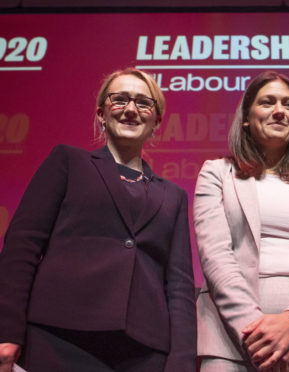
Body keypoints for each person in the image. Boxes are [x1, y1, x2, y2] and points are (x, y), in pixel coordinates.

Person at [0, 68, 197, 372]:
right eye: (119, 100)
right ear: (102, 113)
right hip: (59, 338)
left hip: (143, 353)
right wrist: (7, 330)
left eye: (144, 103)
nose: (131, 109)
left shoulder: (173, 196)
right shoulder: (68, 162)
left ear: (157, 122)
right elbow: (21, 247)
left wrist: (181, 362)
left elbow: (180, 286)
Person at [193, 71, 289, 371]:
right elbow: (216, 258)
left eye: (288, 105)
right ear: (247, 118)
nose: (279, 110)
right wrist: (264, 338)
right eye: (268, 102)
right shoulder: (215, 173)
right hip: (229, 339)